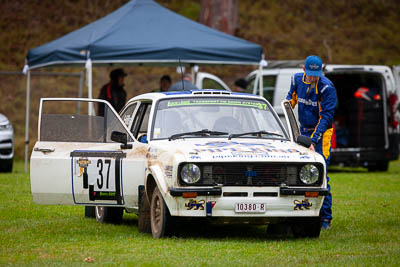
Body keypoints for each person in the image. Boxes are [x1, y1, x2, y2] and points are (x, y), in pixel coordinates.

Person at [285, 55, 337, 230]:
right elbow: (289, 102)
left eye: (317, 74)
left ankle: (325, 218)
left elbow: (326, 118)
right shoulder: (296, 79)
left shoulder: (327, 87)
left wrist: (313, 140)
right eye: (311, 74)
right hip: (303, 130)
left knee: (321, 174)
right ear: (303, 70)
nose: (314, 78)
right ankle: (298, 213)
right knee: (299, 173)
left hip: (322, 134)